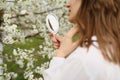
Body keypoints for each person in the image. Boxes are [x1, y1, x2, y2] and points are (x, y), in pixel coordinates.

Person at [43, 0, 120, 80]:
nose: (68, 4)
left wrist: (61, 54)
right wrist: (71, 55)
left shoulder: (84, 59)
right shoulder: (112, 48)